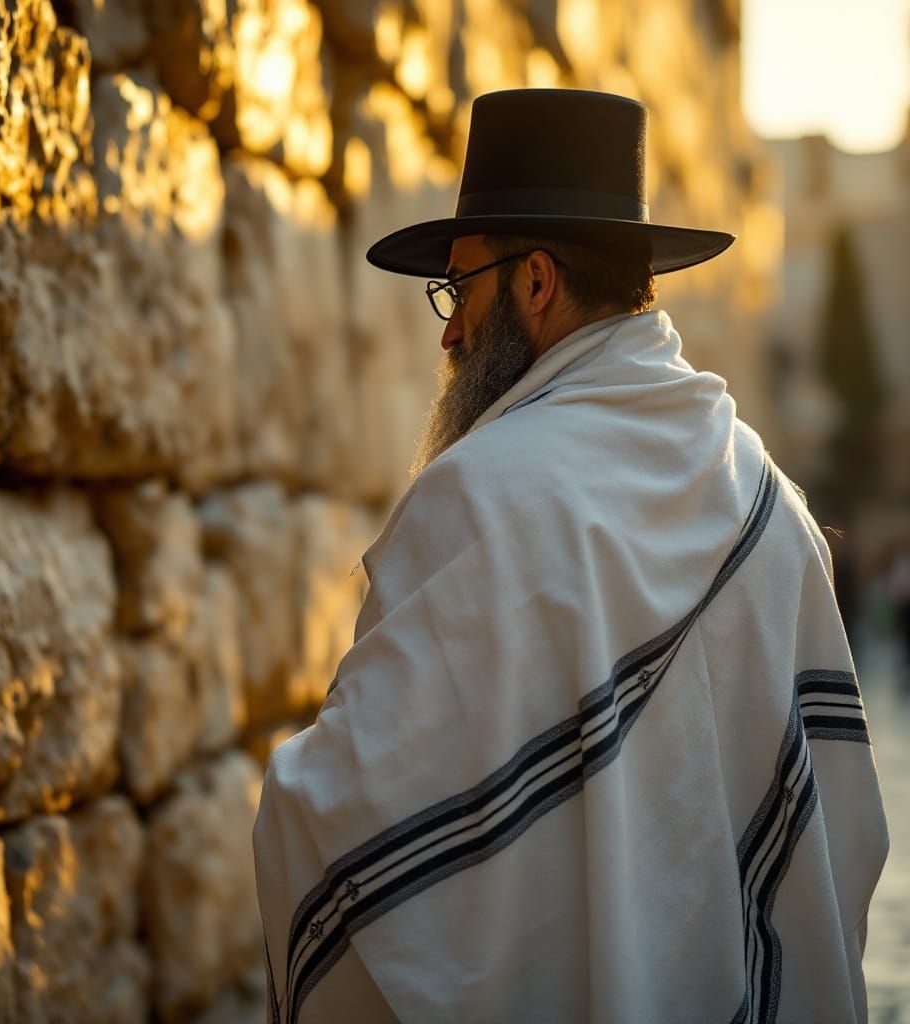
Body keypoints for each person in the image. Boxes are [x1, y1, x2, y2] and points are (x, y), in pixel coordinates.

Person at [252, 89, 888, 1024]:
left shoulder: (482, 496)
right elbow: (831, 836)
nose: (449, 331)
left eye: (459, 287)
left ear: (536, 283)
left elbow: (347, 831)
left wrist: (286, 791)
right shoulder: (769, 505)